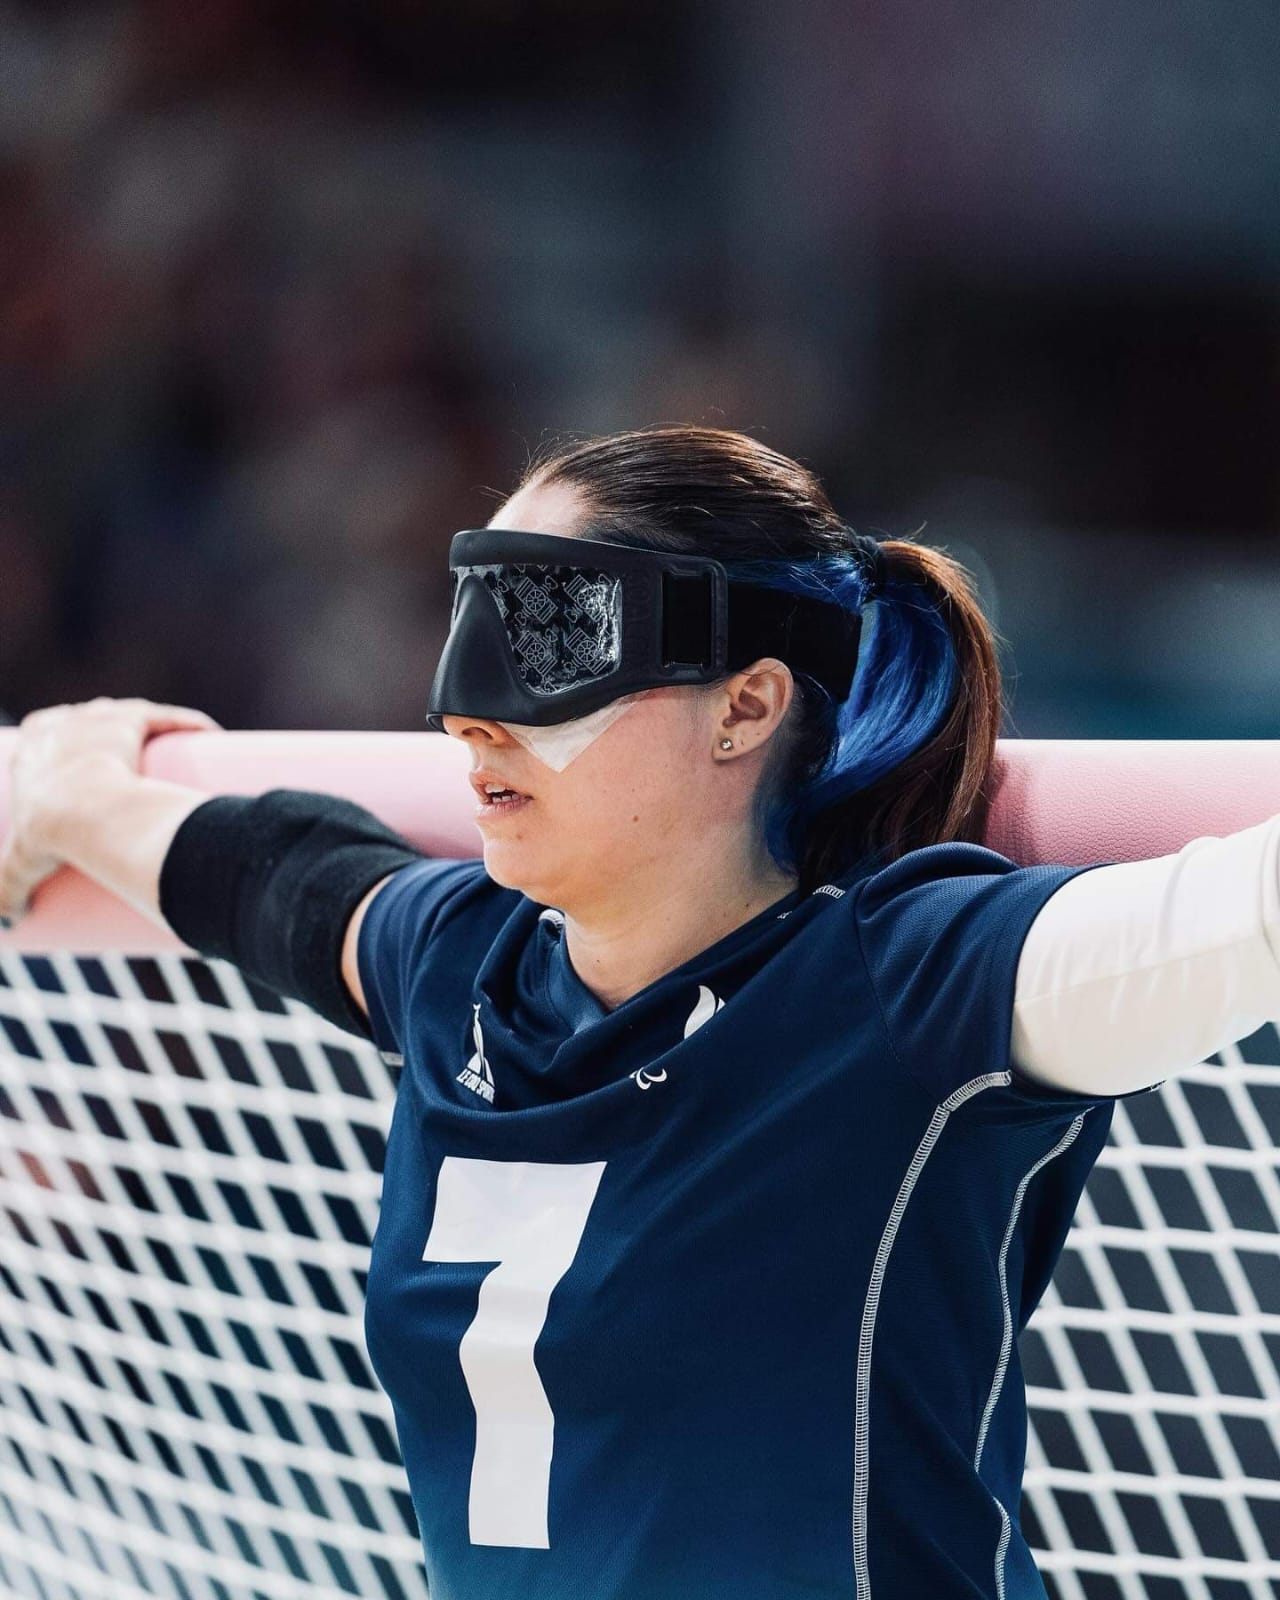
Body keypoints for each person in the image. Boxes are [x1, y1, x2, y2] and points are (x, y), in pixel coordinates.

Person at [2, 425, 1278, 1600]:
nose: (466, 709)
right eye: (473, 622)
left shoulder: (908, 987)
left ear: (746, 705)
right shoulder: (456, 965)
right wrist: (69, 789)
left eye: (550, 633)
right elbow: (273, 876)